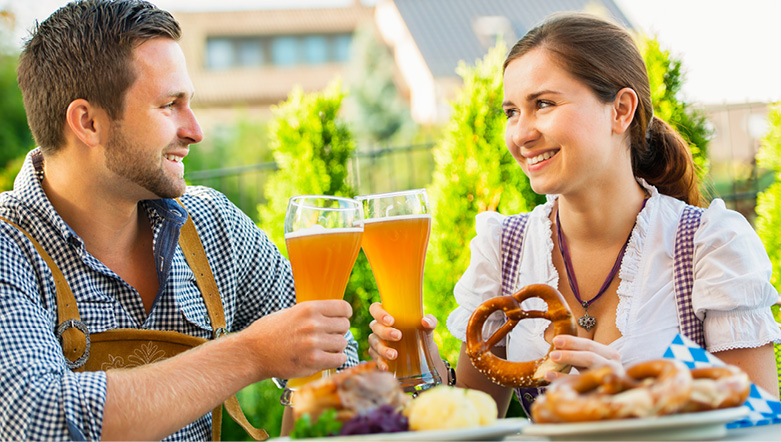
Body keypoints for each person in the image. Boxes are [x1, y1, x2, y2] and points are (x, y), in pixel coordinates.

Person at [368, 12, 781, 418]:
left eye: (543, 104)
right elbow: (473, 415)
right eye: (511, 112)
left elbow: (761, 422)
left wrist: (631, 394)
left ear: (621, 110)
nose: (520, 133)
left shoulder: (708, 245)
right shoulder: (504, 249)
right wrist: (419, 365)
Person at [0, 0, 357, 440]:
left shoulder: (213, 224)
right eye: (170, 104)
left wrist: (327, 379)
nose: (195, 129)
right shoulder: (9, 248)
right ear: (88, 122)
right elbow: (36, 418)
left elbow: (340, 369)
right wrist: (250, 354)